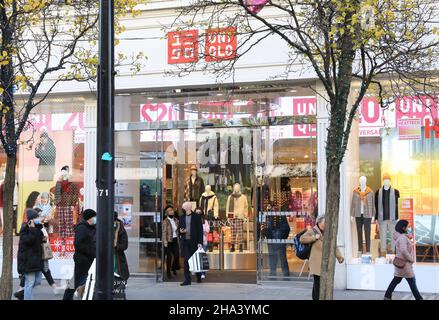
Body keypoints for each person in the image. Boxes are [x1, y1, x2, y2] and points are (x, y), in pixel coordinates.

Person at [300, 215, 344, 300]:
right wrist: (314, 238)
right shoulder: (313, 231)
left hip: (324, 262)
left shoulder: (328, 232)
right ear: (319, 222)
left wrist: (339, 257)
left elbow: (333, 245)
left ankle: (315, 298)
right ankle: (317, 298)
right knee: (318, 283)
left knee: (318, 283)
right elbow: (302, 239)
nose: (326, 223)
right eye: (325, 222)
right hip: (315, 262)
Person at [384, 219, 423, 300]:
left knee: (396, 280)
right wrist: (411, 259)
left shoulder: (401, 237)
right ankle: (419, 298)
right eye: (407, 226)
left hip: (400, 264)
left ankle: (387, 296)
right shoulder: (402, 238)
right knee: (412, 282)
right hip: (405, 265)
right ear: (403, 228)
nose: (408, 228)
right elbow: (403, 250)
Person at [63, 209, 96, 300]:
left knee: (82, 280)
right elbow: (78, 244)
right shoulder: (82, 228)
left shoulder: (93, 227)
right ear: (90, 218)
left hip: (89, 259)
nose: (96, 219)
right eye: (94, 217)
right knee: (76, 280)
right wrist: (91, 252)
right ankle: (67, 297)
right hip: (82, 259)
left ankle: (81, 295)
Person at [17, 209, 44, 300]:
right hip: (28, 261)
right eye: (37, 217)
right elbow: (28, 241)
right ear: (31, 219)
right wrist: (32, 228)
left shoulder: (37, 228)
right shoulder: (25, 228)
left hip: (37, 260)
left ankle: (23, 293)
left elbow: (39, 241)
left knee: (38, 281)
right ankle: (27, 296)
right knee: (30, 283)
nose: (39, 218)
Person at [179, 201, 203, 286]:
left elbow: (200, 230)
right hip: (185, 242)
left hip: (194, 242)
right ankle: (187, 280)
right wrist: (181, 231)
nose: (183, 209)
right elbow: (179, 229)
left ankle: (198, 276)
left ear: (188, 208)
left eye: (184, 207)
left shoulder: (196, 217)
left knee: (196, 260)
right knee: (186, 260)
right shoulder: (181, 217)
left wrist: (200, 242)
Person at [162, 205, 179, 279]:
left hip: (175, 240)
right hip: (169, 241)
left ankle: (173, 267)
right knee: (169, 257)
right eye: (169, 210)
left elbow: (178, 229)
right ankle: (168, 272)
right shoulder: (165, 221)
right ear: (166, 213)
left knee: (176, 255)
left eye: (172, 210)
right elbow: (164, 232)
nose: (171, 211)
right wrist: (165, 241)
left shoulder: (176, 220)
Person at [114, 211, 130, 282]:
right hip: (107, 256)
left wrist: (116, 245)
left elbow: (125, 245)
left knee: (118, 276)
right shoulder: (103, 227)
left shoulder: (120, 229)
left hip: (117, 256)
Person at [195, 207, 209, 279]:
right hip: (195, 242)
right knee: (196, 257)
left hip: (203, 241)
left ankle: (202, 273)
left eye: (199, 212)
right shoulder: (193, 220)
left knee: (202, 257)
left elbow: (207, 230)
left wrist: (201, 230)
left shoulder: (204, 221)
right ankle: (197, 271)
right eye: (196, 212)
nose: (198, 214)